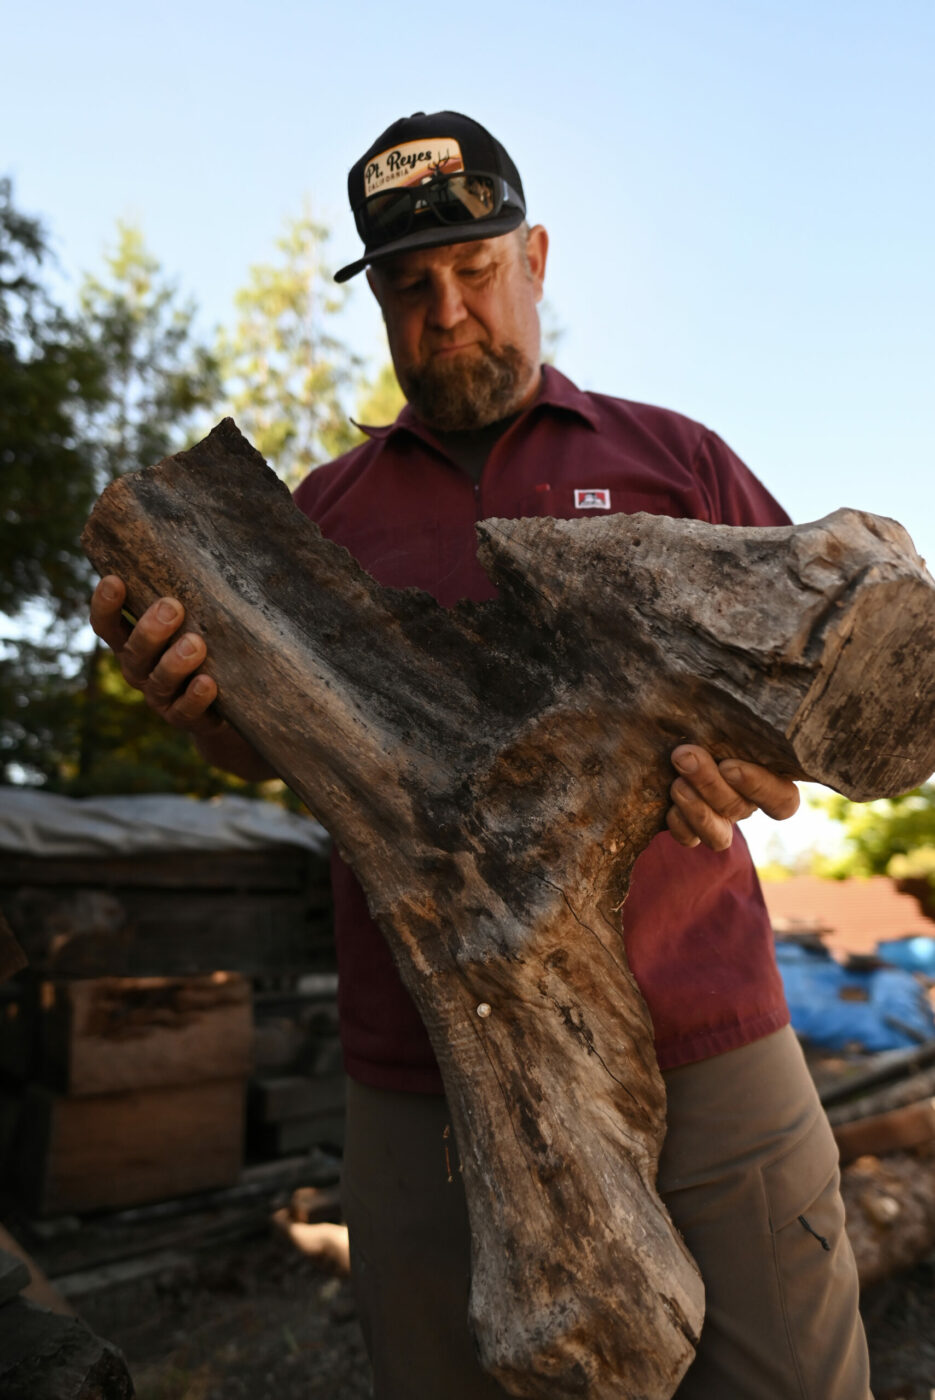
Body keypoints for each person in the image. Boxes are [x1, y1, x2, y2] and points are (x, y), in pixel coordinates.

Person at [90, 112, 871, 1399]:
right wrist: (191, 700)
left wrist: (750, 773)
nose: (445, 310)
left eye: (474, 268)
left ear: (536, 257)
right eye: (408, 284)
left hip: (705, 1037)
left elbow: (802, 728)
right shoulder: (308, 525)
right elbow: (260, 746)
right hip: (423, 1078)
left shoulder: (675, 463)